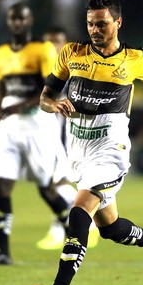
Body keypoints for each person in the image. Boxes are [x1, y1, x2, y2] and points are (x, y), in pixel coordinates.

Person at [30, 0, 143, 285]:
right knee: (108, 227)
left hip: (111, 152)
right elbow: (45, 97)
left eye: (102, 24)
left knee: (79, 211)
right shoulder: (71, 54)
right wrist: (55, 105)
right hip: (79, 152)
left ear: (118, 23)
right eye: (91, 24)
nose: (95, 29)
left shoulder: (136, 58)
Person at [0, 2, 75, 265]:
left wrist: (21, 105)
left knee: (46, 188)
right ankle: (2, 252)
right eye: (13, 19)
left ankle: (73, 236)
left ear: (30, 21)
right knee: (2, 184)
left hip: (36, 125)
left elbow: (50, 89)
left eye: (22, 19)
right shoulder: (1, 53)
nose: (17, 23)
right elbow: (1, 93)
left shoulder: (42, 50)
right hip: (8, 127)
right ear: (8, 22)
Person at [37, 25, 100, 251]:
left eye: (56, 42)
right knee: (51, 181)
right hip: (45, 128)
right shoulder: (41, 65)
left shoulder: (72, 65)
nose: (51, 47)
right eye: (48, 42)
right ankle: (62, 226)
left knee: (55, 181)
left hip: (65, 129)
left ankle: (86, 222)